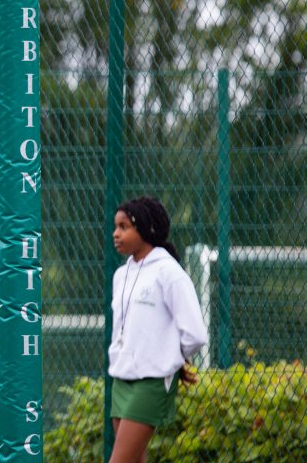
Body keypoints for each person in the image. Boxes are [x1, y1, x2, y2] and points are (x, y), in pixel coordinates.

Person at [107, 196, 208, 463]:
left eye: (124, 227)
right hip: (121, 381)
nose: (116, 234)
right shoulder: (121, 275)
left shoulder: (169, 273)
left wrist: (171, 360)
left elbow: (196, 334)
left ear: (146, 229)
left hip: (150, 384)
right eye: (115, 226)